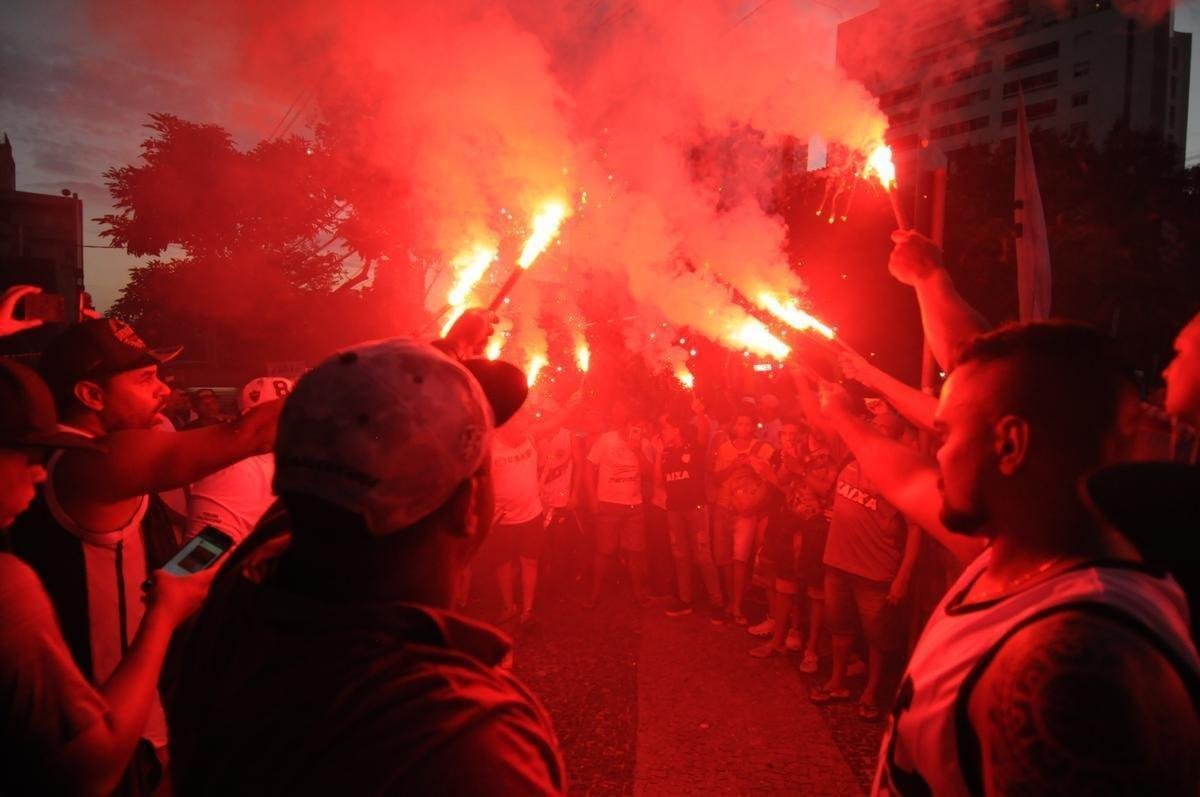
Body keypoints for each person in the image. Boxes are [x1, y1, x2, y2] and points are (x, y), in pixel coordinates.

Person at [167, 339, 566, 794]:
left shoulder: (235, 609)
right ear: (470, 506)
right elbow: (192, 558)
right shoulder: (461, 738)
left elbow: (220, 556)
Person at [815, 322, 1199, 794]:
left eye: (947, 435)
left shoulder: (1070, 659)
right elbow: (907, 481)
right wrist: (842, 418)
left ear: (1011, 444)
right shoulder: (1019, 553)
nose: (939, 453)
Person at [7, 317, 280, 792]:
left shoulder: (82, 462)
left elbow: (173, 559)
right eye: (144, 379)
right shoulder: (88, 463)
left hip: (134, 724)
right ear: (91, 396)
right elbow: (249, 433)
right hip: (102, 738)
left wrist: (200, 559)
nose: (164, 390)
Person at [0, 358, 213, 795]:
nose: (39, 471)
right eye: (26, 453)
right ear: (90, 395)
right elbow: (90, 773)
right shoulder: (8, 585)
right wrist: (163, 616)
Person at [810, 407, 920, 722]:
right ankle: (837, 681)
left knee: (877, 637)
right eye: (872, 423)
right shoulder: (850, 458)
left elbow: (915, 529)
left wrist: (903, 577)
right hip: (838, 563)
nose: (873, 429)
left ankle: (872, 691)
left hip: (874, 571)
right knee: (839, 627)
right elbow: (823, 420)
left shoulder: (897, 474)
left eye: (883, 428)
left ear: (896, 438)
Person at [185, 376, 294, 543]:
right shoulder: (232, 469)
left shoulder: (297, 459)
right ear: (249, 416)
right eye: (280, 413)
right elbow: (197, 560)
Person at [657, 411, 725, 622]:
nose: (662, 432)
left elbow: (704, 434)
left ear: (676, 428)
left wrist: (701, 413)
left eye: (665, 427)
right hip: (674, 509)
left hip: (695, 508)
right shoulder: (666, 453)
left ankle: (717, 603)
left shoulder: (694, 447)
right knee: (680, 555)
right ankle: (686, 600)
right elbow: (661, 481)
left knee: (703, 555)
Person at [710, 408, 775, 624]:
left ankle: (737, 605)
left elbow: (772, 478)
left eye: (747, 424)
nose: (743, 428)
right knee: (724, 558)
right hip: (722, 506)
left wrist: (755, 468)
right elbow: (715, 477)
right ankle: (730, 600)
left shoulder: (763, 449)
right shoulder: (724, 448)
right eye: (739, 424)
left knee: (740, 558)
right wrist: (733, 466)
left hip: (746, 510)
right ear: (734, 426)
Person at [585, 411, 654, 608]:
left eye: (642, 426)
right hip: (608, 504)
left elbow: (649, 473)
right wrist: (592, 497)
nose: (638, 429)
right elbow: (589, 467)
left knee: (635, 552)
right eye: (635, 425)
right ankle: (595, 595)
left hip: (634, 506)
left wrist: (638, 449)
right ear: (627, 423)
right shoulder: (606, 440)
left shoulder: (644, 443)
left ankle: (638, 594)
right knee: (603, 551)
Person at [488, 402, 545, 626]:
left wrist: (572, 406)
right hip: (502, 519)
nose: (525, 428)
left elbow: (554, 423)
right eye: (520, 423)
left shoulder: (529, 438)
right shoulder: (491, 446)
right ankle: (509, 606)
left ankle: (527, 610)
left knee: (529, 562)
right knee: (503, 564)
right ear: (506, 425)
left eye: (526, 423)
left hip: (532, 514)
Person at [536, 398, 584, 590]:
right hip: (540, 499)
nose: (545, 417)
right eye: (543, 414)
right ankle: (544, 582)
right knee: (542, 542)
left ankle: (563, 582)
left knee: (562, 542)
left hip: (562, 499)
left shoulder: (569, 435)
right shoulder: (537, 436)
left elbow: (579, 466)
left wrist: (575, 493)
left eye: (548, 414)